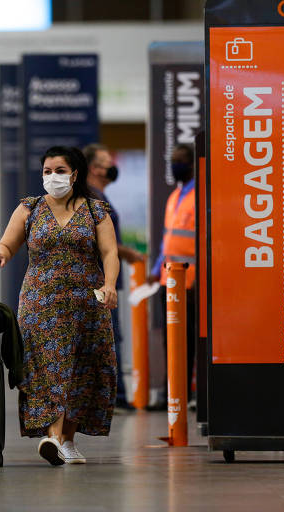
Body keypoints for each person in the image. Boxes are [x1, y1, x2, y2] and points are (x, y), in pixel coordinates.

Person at [0, 146, 119, 466]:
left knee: (83, 370)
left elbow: (110, 253)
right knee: (46, 369)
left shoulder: (95, 210)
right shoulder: (29, 208)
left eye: (59, 171)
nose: (52, 177)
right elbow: (9, 242)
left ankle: (66, 441)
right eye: (47, 171)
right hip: (40, 304)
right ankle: (56, 438)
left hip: (86, 303)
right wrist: (0, 252)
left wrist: (110, 284)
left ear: (75, 174)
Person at [84, 143, 146, 411]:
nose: (112, 166)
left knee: (108, 337)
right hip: (100, 280)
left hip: (104, 278)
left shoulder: (98, 197)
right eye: (106, 161)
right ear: (94, 168)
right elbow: (104, 242)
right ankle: (115, 397)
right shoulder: (93, 199)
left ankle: (111, 396)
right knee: (109, 337)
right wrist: (129, 253)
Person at [147, 143, 197, 409]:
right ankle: (172, 393)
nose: (175, 165)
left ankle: (187, 393)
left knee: (189, 341)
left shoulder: (200, 196)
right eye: (172, 160)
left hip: (192, 282)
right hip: (170, 281)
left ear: (191, 164)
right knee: (172, 340)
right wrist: (156, 271)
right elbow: (169, 241)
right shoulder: (174, 197)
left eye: (180, 161)